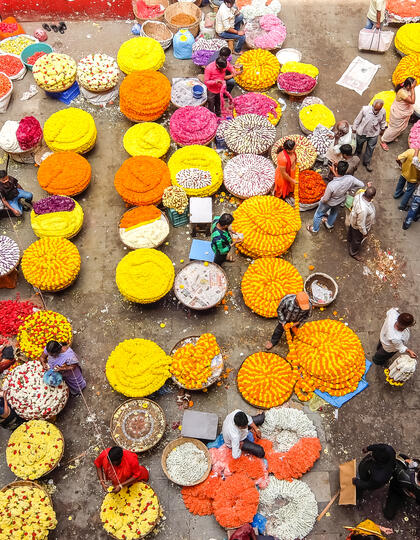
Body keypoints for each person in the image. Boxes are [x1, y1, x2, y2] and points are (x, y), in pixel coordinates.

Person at [307, 161, 365, 233]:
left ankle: (315, 229)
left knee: (318, 214)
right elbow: (362, 185)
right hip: (340, 200)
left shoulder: (331, 185)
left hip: (329, 202)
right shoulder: (350, 178)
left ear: (337, 169)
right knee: (334, 212)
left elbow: (325, 199)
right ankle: (329, 224)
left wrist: (321, 201)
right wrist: (351, 189)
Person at [381, 78, 416, 151]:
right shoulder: (402, 92)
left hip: (403, 114)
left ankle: (392, 137)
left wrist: (412, 88)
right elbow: (412, 101)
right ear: (409, 86)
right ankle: (384, 140)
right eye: (413, 85)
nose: (415, 86)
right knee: (394, 128)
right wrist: (412, 89)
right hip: (398, 114)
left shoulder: (408, 89)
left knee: (400, 127)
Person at [353, 100, 387, 172]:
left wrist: (382, 129)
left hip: (374, 133)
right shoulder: (365, 109)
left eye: (378, 109)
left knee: (370, 148)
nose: (376, 111)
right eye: (375, 109)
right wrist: (354, 128)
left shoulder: (383, 112)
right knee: (359, 144)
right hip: (362, 132)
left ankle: (366, 162)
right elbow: (358, 119)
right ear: (372, 106)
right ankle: (357, 155)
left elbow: (383, 121)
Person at [384, 453, 420, 519]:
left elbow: (394, 468)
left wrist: (409, 463)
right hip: (409, 492)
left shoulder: (404, 475)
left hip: (399, 490)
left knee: (388, 515)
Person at [347, 186, 376, 261]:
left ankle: (349, 239)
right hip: (357, 225)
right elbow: (361, 224)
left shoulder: (359, 194)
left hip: (353, 218)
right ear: (372, 197)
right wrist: (364, 232)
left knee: (351, 229)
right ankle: (353, 252)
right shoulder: (363, 209)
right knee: (357, 239)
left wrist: (368, 187)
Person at [394, 147, 420, 211]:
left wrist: (400, 164)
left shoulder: (410, 151)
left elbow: (397, 158)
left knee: (401, 183)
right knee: (409, 191)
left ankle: (396, 194)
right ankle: (402, 206)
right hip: (413, 178)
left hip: (404, 172)